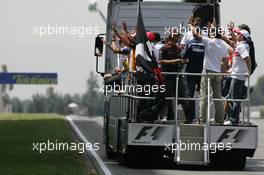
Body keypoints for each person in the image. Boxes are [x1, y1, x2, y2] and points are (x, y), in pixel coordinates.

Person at [191, 24, 231, 124]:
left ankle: (203, 120)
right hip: (218, 73)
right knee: (218, 97)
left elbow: (195, 35)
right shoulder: (224, 44)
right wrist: (223, 72)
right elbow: (226, 60)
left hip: (207, 71)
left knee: (204, 97)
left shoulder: (209, 41)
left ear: (213, 34)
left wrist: (192, 26)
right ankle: (220, 120)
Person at [180, 17, 206, 124]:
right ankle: (200, 118)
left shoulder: (190, 43)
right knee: (202, 95)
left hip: (191, 71)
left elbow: (184, 57)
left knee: (189, 95)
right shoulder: (205, 42)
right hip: (201, 71)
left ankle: (190, 118)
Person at [224, 29, 251, 125]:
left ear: (242, 36)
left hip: (238, 76)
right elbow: (234, 40)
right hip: (236, 75)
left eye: (238, 34)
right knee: (231, 97)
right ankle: (231, 119)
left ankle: (233, 120)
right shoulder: (241, 45)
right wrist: (231, 31)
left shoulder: (242, 47)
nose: (236, 35)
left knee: (235, 99)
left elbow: (247, 58)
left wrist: (249, 71)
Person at [159, 33, 187, 120]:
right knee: (168, 97)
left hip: (178, 75)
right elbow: (160, 61)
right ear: (171, 36)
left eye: (178, 36)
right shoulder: (164, 48)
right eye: (175, 35)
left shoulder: (178, 49)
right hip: (167, 76)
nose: (177, 37)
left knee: (182, 97)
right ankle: (169, 116)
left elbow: (182, 60)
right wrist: (174, 61)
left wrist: (183, 61)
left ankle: (188, 118)